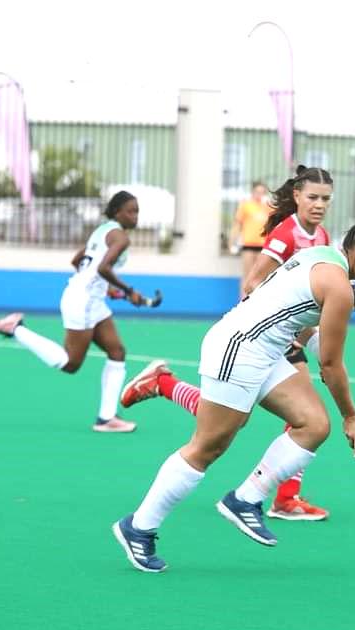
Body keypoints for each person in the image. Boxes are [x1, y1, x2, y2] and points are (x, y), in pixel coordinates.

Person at [111, 195, 355, 573]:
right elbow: (330, 365)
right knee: (208, 447)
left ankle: (246, 499)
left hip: (264, 352)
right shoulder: (340, 288)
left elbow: (307, 325)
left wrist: (327, 370)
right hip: (238, 348)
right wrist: (352, 415)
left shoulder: (324, 256)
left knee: (313, 425)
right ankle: (139, 527)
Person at [120, 166, 343, 521]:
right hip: (261, 336)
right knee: (236, 425)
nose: (319, 205)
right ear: (298, 196)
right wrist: (290, 328)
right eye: (312, 197)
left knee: (282, 419)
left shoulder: (322, 238)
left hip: (284, 337)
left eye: (326, 199)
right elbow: (253, 283)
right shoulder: (287, 234)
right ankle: (283, 498)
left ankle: (164, 384)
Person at [0, 190, 149, 433]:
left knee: (117, 351)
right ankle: (16, 329)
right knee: (70, 363)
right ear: (117, 212)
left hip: (90, 299)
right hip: (83, 302)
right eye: (131, 211)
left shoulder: (101, 231)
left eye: (137, 211)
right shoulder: (120, 237)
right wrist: (129, 291)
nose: (135, 216)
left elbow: (78, 262)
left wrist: (107, 290)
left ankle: (106, 419)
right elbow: (103, 267)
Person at [230, 181, 272, 295]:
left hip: (263, 246)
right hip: (248, 245)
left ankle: (257, 302)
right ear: (253, 192)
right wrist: (231, 243)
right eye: (257, 192)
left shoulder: (268, 207)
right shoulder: (246, 205)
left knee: (260, 276)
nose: (260, 194)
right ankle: (242, 302)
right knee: (247, 275)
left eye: (262, 192)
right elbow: (237, 225)